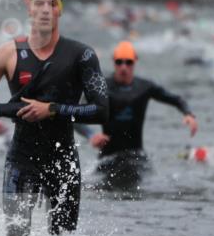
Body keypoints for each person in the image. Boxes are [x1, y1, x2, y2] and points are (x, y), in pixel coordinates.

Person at [0, 0, 108, 236]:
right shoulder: (8, 53)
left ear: (59, 11)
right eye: (39, 3)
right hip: (21, 160)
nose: (45, 10)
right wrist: (13, 109)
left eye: (52, 5)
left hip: (62, 160)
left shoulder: (82, 55)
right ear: (29, 9)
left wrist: (52, 109)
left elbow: (102, 110)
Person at [76, 41, 197, 187]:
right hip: (108, 158)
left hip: (136, 156)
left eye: (128, 62)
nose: (124, 67)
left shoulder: (144, 87)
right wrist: (91, 135)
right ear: (114, 62)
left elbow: (176, 99)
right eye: (119, 62)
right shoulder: (100, 88)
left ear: (135, 62)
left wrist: (188, 114)